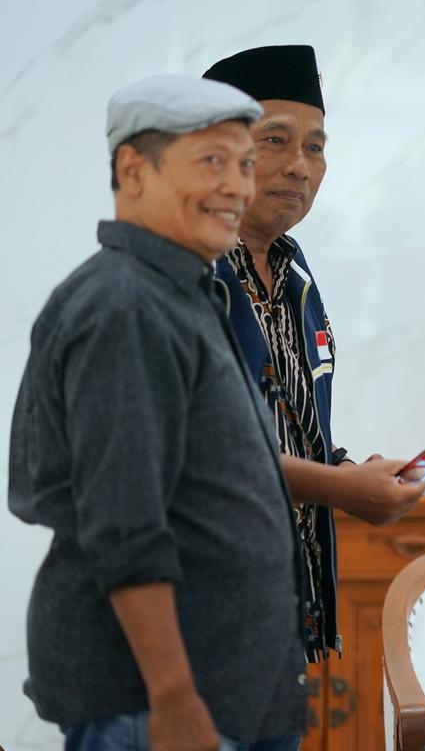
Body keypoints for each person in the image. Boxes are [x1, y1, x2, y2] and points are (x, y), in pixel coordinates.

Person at [8, 75, 308, 750]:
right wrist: (172, 696)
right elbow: (125, 523)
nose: (237, 187)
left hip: (218, 695)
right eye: (211, 161)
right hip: (155, 706)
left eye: (244, 164)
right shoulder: (126, 306)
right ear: (132, 170)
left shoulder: (175, 291)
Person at [202, 45, 425, 663]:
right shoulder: (184, 275)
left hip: (283, 607)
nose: (300, 167)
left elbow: (285, 426)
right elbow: (194, 458)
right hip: (196, 614)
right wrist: (339, 487)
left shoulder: (294, 273)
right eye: (275, 140)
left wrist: (345, 469)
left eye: (316, 146)